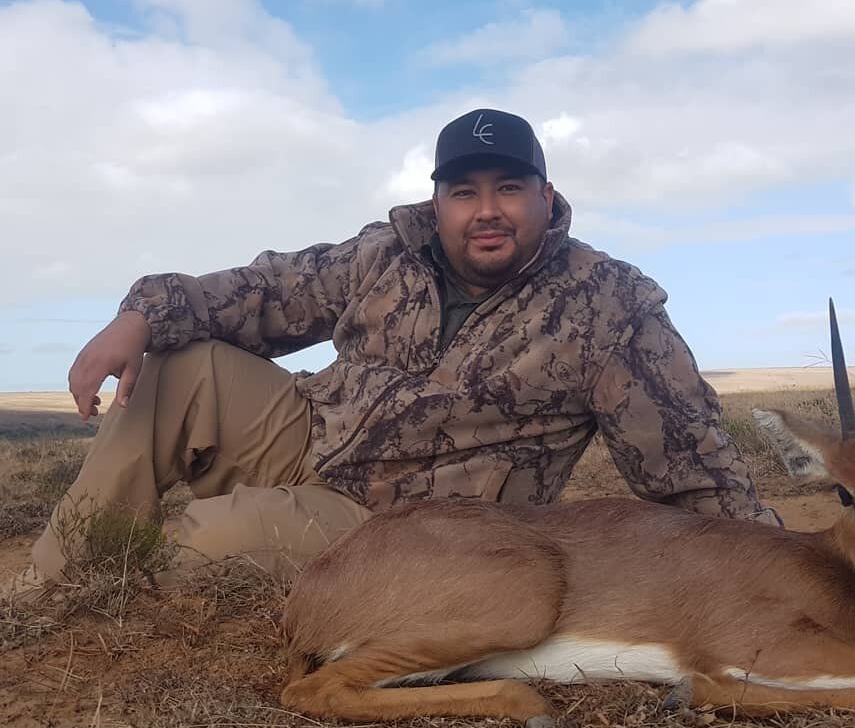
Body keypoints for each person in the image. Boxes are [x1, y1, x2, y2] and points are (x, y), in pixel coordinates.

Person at [18, 108, 779, 596]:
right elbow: (263, 292)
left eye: (510, 188)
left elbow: (693, 469)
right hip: (307, 434)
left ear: (547, 197)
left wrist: (782, 567)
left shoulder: (609, 306)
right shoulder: (388, 252)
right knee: (178, 365)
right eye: (464, 191)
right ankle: (46, 588)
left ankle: (121, 575)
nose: (487, 211)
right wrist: (140, 313)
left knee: (214, 542)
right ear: (438, 201)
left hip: (405, 524)